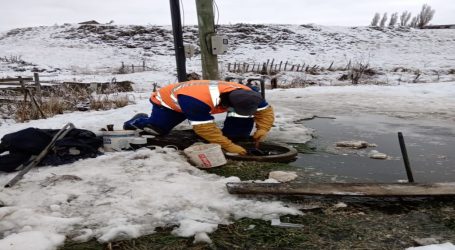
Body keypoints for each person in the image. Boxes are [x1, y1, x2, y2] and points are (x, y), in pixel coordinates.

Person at [123, 80, 274, 155]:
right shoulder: (197, 101)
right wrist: (228, 146)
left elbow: (265, 112)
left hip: (199, 101)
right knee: (156, 130)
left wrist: (263, 129)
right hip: (170, 102)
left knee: (237, 134)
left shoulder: (249, 94)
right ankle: (138, 120)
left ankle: (234, 134)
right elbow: (205, 129)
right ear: (227, 103)